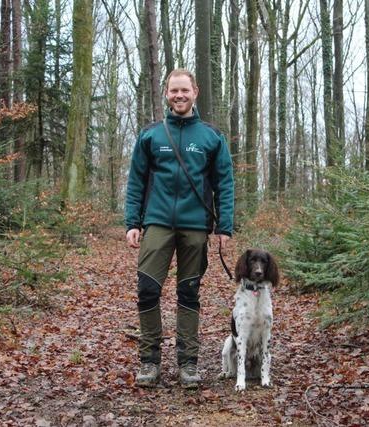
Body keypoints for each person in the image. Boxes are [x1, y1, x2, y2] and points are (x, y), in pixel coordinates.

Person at [124, 69, 234, 388]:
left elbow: (224, 184)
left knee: (188, 293)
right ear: (167, 94)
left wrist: (224, 227)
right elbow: (136, 181)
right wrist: (133, 222)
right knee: (147, 290)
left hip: (195, 225)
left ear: (195, 91)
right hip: (156, 221)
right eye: (174, 91)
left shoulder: (211, 137)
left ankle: (188, 362)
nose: (179, 96)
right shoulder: (151, 135)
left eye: (184, 90)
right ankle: (149, 362)